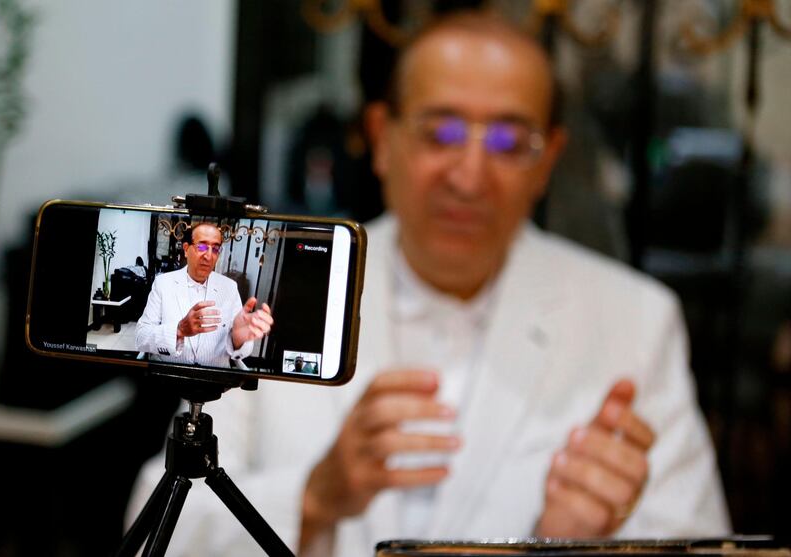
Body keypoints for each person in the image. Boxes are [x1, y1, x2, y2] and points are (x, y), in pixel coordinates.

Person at [127, 11, 729, 556]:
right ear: (383, 138)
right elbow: (157, 529)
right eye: (441, 132)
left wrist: (569, 547)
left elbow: (700, 542)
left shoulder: (635, 321)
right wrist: (315, 496)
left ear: (547, 162)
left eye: (508, 142)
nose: (469, 176)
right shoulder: (272, 291)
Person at [135, 222, 273, 368]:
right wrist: (179, 330)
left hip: (214, 380)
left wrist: (237, 338)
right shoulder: (163, 283)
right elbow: (141, 337)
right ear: (186, 249)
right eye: (201, 246)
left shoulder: (230, 288)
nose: (208, 255)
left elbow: (238, 347)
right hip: (167, 375)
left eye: (215, 249)